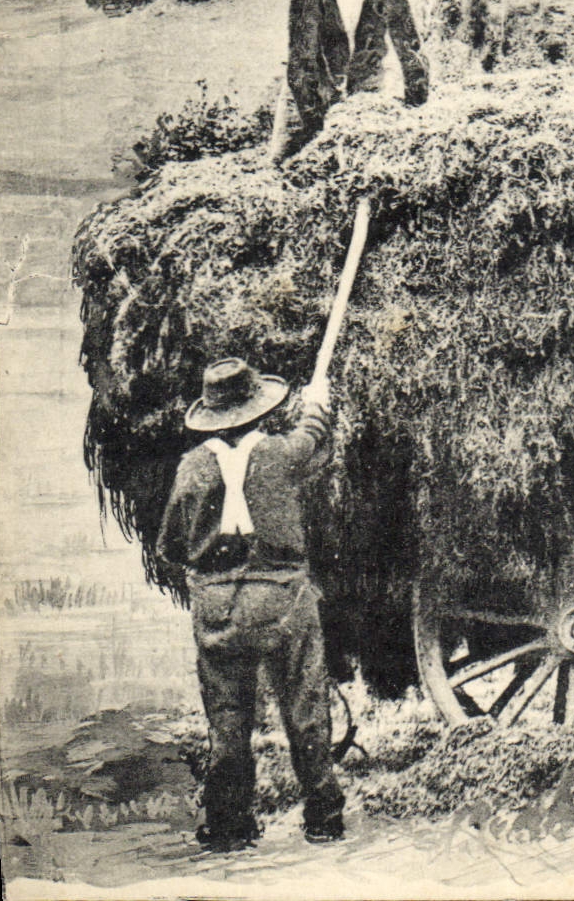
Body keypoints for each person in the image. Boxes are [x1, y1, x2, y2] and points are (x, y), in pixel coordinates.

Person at [158, 358, 344, 851]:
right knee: (305, 710)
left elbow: (170, 547)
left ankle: (229, 828)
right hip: (282, 600)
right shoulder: (282, 453)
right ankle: (324, 820)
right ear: (261, 411)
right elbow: (314, 437)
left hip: (218, 609)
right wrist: (317, 407)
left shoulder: (191, 467)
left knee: (228, 725)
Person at [269, 0, 429, 165]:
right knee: (286, 165)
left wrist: (417, 111)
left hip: (365, 85)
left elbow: (411, 54)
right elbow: (302, 64)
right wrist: (319, 129)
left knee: (367, 165)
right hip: (310, 88)